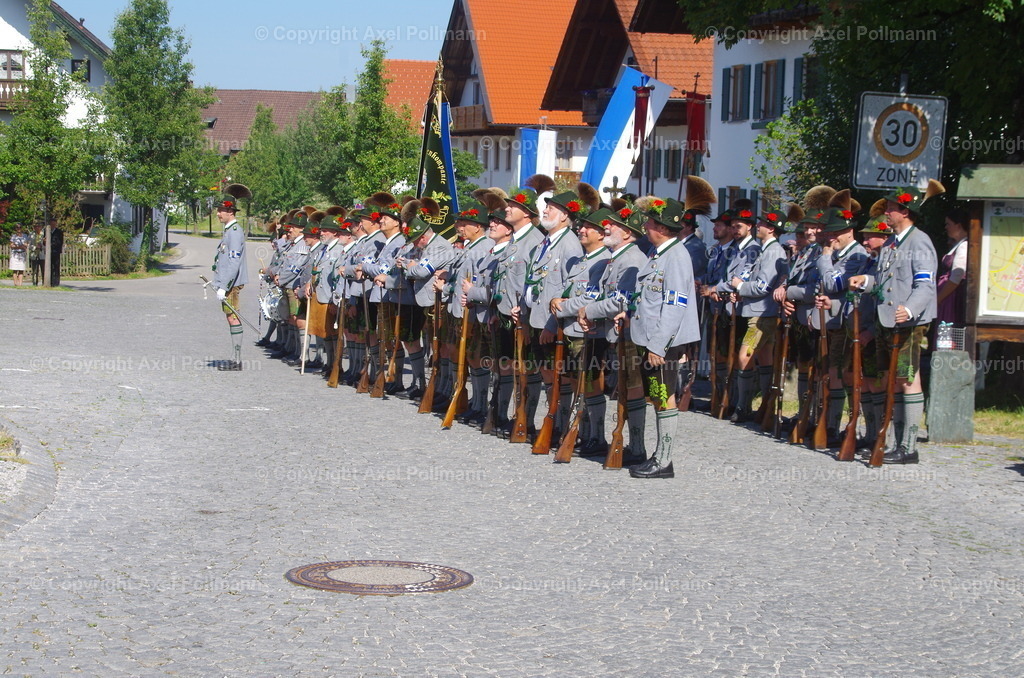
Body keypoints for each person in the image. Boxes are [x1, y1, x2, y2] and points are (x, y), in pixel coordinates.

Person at [849, 180, 943, 464]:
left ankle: (909, 446)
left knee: (906, 377)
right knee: (889, 379)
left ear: (905, 211)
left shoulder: (920, 241)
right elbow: (885, 281)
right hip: (886, 321)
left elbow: (925, 285)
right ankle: (891, 441)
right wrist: (864, 281)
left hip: (909, 323)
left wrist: (910, 310)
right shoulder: (890, 243)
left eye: (890, 208)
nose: (886, 213)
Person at [210, 184, 252, 371]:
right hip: (227, 283)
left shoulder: (235, 232)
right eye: (218, 210)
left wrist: (224, 286)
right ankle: (234, 358)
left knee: (233, 317)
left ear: (230, 211)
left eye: (221, 211)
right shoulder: (229, 230)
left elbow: (234, 262)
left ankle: (236, 360)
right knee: (230, 317)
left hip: (231, 285)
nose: (218, 214)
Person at [936, 207, 969, 328]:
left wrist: (939, 298)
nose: (946, 227)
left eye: (948, 224)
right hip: (948, 297)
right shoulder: (959, 245)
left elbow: (956, 277)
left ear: (958, 226)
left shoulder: (964, 246)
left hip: (952, 299)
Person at [49, 218, 64, 287]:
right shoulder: (47, 231)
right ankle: (51, 282)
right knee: (50, 267)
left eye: (54, 224)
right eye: (51, 224)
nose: (52, 225)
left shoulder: (59, 232)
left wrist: (51, 244)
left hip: (56, 252)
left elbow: (60, 242)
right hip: (49, 252)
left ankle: (56, 282)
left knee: (56, 267)